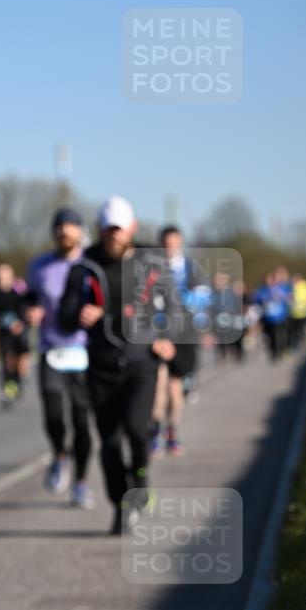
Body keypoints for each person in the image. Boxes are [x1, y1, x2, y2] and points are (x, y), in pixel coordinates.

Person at [59, 196, 176, 534]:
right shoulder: (84, 267)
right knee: (109, 443)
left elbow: (172, 307)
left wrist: (165, 336)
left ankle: (140, 475)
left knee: (138, 431)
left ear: (132, 229)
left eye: (119, 231)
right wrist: (80, 314)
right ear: (99, 230)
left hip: (141, 363)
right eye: (108, 231)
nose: (113, 237)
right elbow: (64, 316)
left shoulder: (150, 262)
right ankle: (120, 504)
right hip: (101, 365)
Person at [25, 207, 94, 507]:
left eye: (70, 226)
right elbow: (28, 298)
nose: (65, 231)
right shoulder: (39, 266)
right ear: (53, 232)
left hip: (84, 350)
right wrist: (29, 311)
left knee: (81, 421)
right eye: (60, 226)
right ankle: (59, 455)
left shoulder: (92, 265)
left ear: (80, 231)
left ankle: (80, 482)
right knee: (53, 414)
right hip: (51, 349)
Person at [149, 226, 199, 457]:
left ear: (179, 243)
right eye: (165, 243)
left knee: (174, 386)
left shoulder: (190, 268)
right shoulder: (151, 267)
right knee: (158, 384)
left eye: (173, 243)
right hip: (156, 333)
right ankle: (155, 433)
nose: (169, 247)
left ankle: (172, 432)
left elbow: (203, 297)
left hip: (182, 335)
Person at [0, 263, 30, 405]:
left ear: (11, 277)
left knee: (20, 364)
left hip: (19, 333)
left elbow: (26, 309)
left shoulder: (19, 292)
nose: (2, 280)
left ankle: (18, 382)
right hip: (3, 333)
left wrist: (21, 323)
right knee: (6, 361)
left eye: (5, 277)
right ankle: (8, 388)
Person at [254, 270, 291, 361]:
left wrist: (282, 298)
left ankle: (281, 351)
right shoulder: (262, 290)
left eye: (271, 279)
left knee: (281, 334)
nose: (269, 281)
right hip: (268, 318)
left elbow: (288, 297)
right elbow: (256, 300)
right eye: (268, 279)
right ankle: (273, 351)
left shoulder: (280, 288)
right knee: (270, 335)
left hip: (280, 316)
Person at [289, 272, 306, 350]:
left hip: (303, 311)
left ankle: (302, 342)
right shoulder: (292, 285)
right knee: (294, 330)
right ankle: (297, 342)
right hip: (293, 312)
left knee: (302, 328)